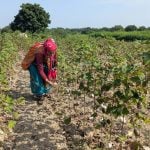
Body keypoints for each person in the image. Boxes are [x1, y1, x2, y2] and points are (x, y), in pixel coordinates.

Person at [21, 38, 58, 104]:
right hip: (33, 63)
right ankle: (38, 95)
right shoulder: (39, 51)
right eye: (49, 53)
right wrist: (47, 80)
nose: (51, 54)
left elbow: (54, 62)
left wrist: (53, 73)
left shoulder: (53, 50)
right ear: (46, 50)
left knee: (47, 74)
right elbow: (40, 69)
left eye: (52, 52)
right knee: (37, 78)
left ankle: (45, 92)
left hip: (43, 62)